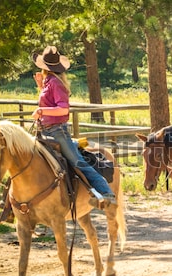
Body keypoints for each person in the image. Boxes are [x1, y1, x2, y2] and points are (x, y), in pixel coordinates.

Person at [31, 46, 116, 208]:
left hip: (57, 132)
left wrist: (41, 110)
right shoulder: (50, 81)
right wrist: (41, 88)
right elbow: (50, 101)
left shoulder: (55, 83)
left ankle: (106, 193)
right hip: (46, 131)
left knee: (78, 163)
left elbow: (63, 109)